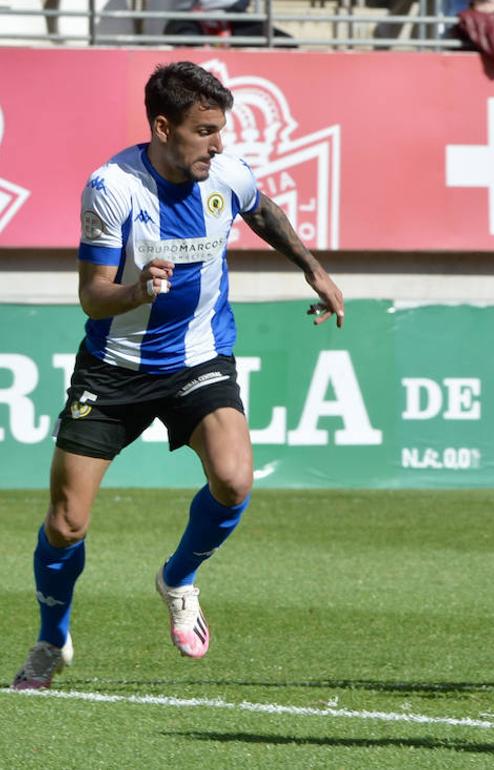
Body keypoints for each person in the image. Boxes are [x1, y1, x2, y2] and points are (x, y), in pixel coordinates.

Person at [11, 61, 346, 690]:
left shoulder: (225, 172)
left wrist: (313, 269)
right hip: (114, 370)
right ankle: (50, 640)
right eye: (205, 131)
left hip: (198, 357)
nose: (218, 144)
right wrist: (136, 290)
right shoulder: (112, 187)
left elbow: (261, 207)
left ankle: (179, 577)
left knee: (233, 477)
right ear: (163, 128)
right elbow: (91, 297)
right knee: (66, 523)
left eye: (221, 129)